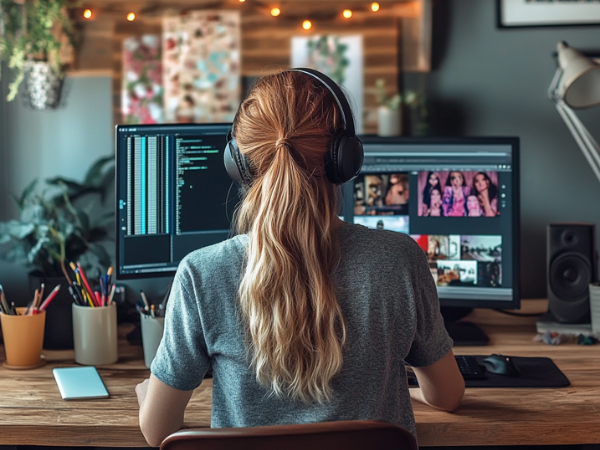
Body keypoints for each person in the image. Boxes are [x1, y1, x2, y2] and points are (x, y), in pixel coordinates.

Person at [136, 69, 464, 447]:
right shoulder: (399, 261)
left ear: (239, 163)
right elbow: (448, 396)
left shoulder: (201, 275)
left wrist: (149, 397)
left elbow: (159, 431)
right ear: (344, 158)